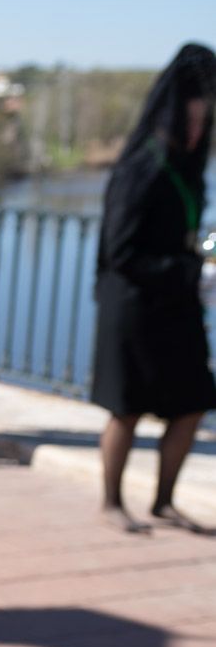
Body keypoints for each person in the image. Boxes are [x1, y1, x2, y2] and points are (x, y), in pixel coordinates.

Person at [91, 42, 216, 534]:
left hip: (176, 302)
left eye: (204, 123)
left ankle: (163, 500)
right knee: (127, 409)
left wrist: (198, 265)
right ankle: (110, 502)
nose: (198, 130)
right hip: (132, 304)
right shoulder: (140, 168)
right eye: (192, 120)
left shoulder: (188, 171)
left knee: (191, 403)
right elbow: (121, 253)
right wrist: (188, 270)